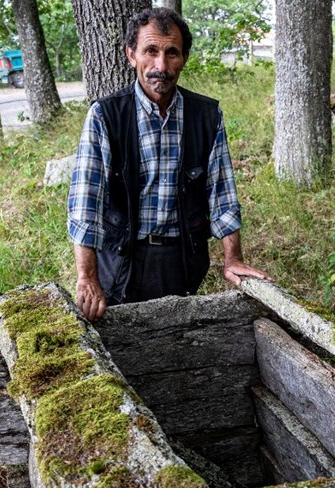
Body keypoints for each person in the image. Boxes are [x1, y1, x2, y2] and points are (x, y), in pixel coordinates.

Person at [67, 7, 270, 322]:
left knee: (179, 340)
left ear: (184, 58)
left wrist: (233, 258)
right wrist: (86, 276)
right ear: (131, 55)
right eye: (150, 51)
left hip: (183, 261)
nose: (161, 65)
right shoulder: (106, 116)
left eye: (172, 53)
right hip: (122, 261)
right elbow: (86, 204)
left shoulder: (206, 116)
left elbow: (222, 195)